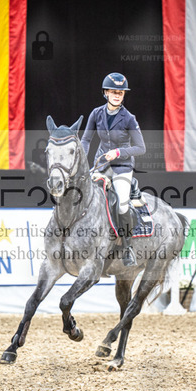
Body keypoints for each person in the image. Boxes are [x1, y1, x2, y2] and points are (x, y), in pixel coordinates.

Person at [80, 72, 146, 267]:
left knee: (122, 206)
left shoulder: (129, 118)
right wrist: (83, 160)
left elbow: (141, 148)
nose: (117, 95)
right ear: (106, 93)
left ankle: (127, 247)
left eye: (120, 92)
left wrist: (118, 152)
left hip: (122, 167)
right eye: (113, 92)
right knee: (83, 195)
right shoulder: (96, 113)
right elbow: (86, 139)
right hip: (101, 164)